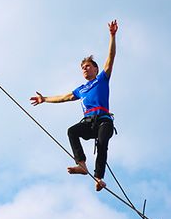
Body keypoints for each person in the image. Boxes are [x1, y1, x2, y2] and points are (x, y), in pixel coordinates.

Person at [30, 20, 118, 192]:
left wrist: (112, 36)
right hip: (88, 122)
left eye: (87, 67)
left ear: (95, 69)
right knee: (72, 131)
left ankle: (99, 178)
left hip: (104, 121)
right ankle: (82, 165)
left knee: (102, 144)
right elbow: (64, 97)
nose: (84, 70)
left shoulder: (102, 79)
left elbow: (111, 58)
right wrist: (44, 99)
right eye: (82, 68)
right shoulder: (81, 89)